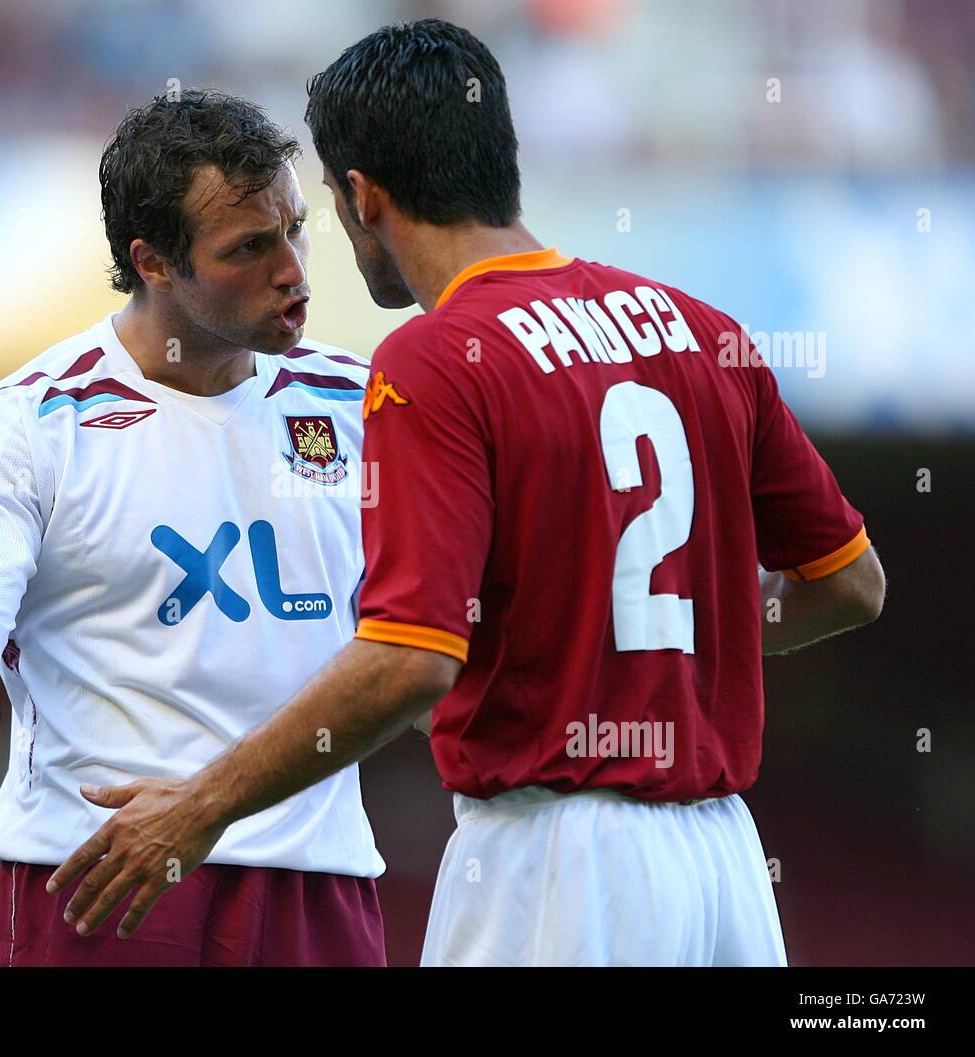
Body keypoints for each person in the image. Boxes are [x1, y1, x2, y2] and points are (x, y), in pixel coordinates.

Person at [47, 20, 887, 967]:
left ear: (361, 196)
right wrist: (667, 636)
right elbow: (853, 582)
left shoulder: (437, 359)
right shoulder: (702, 330)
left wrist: (197, 811)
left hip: (557, 867)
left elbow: (410, 663)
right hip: (729, 864)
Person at [0, 89, 386, 967]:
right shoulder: (30, 421)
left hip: (316, 875)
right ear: (153, 261)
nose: (296, 270)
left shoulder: (363, 404)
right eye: (249, 247)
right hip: (106, 882)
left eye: (296, 227)